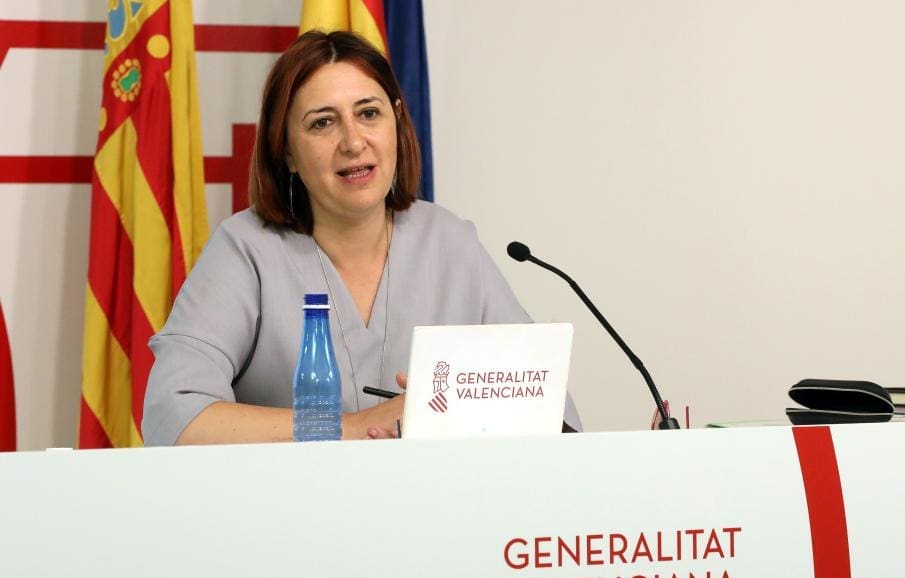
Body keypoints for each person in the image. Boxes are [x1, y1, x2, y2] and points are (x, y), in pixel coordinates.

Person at [142, 30, 581, 446]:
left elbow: (551, 412)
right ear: (287, 151)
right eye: (322, 123)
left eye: (369, 113)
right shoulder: (246, 250)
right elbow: (173, 415)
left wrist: (463, 414)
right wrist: (352, 427)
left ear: (396, 122)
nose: (353, 142)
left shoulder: (450, 242)